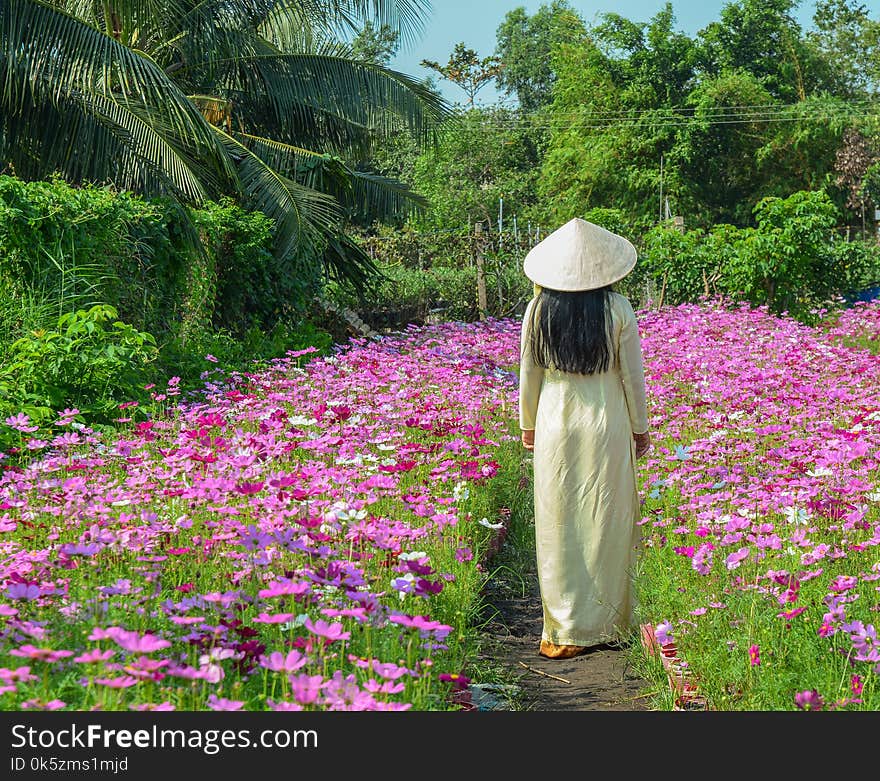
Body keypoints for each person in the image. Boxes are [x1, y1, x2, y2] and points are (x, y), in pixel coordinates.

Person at [518, 217, 651, 660]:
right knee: (607, 520)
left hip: (556, 421)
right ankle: (609, 624)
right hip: (606, 421)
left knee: (558, 526)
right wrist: (640, 427)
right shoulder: (618, 308)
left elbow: (529, 373)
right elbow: (632, 377)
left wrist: (528, 424)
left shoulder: (537, 310)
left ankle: (562, 630)